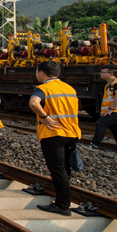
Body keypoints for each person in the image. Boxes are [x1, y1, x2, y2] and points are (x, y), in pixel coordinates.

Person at [29, 60, 81, 216]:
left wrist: (44, 116)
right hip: (72, 133)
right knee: (65, 169)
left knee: (57, 170)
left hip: (53, 134)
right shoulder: (69, 88)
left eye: (37, 71)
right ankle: (63, 199)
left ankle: (62, 205)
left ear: (42, 73)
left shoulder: (43, 88)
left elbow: (33, 103)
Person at [89, 67, 117, 154]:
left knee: (101, 123)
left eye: (103, 72)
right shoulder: (109, 84)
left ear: (111, 74)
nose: (101, 74)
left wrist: (111, 108)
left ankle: (94, 144)